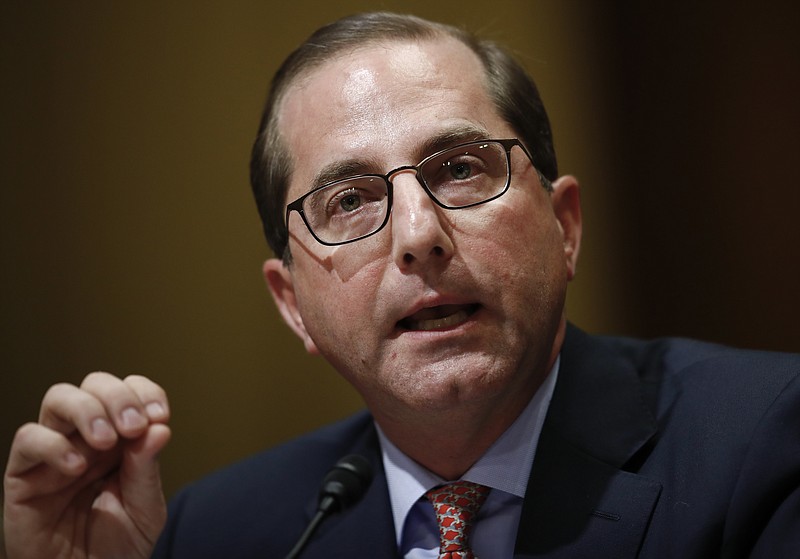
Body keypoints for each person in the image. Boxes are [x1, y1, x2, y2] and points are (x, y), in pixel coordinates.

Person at [3, 11, 799, 559]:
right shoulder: (224, 529)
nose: (418, 236)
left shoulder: (764, 448)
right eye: (348, 200)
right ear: (292, 305)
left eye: (459, 170)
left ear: (565, 227)